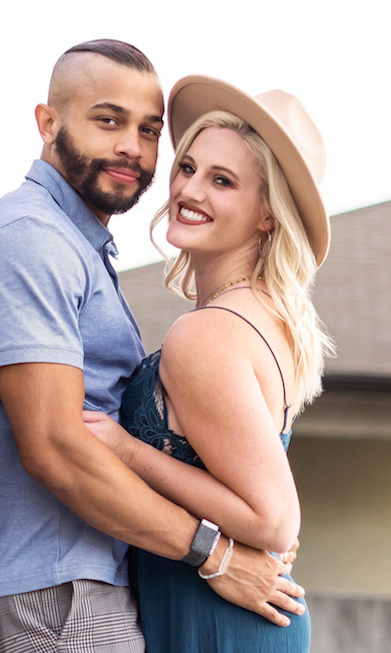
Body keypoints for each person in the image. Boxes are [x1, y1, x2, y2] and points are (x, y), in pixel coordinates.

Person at [0, 42, 305, 653]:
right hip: (57, 589)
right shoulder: (34, 241)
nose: (132, 148)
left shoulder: (83, 251)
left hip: (93, 587)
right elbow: (57, 447)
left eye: (149, 131)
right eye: (108, 121)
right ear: (48, 122)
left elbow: (269, 514)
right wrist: (215, 552)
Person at [83, 75, 334, 652]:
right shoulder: (265, 317)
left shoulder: (207, 333)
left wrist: (126, 451)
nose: (190, 190)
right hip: (222, 612)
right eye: (188, 167)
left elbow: (273, 521)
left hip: (218, 622)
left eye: (222, 181)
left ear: (268, 214)